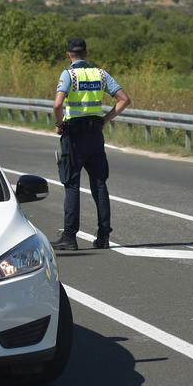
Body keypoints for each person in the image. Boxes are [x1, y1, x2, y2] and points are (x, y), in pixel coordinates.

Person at [50, 37, 130, 251]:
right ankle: (103, 236)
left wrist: (59, 124)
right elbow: (124, 99)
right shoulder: (101, 74)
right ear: (86, 53)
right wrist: (105, 120)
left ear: (69, 55)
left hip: (73, 135)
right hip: (95, 134)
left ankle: (69, 237)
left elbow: (58, 104)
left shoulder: (69, 74)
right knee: (99, 184)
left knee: (72, 184)